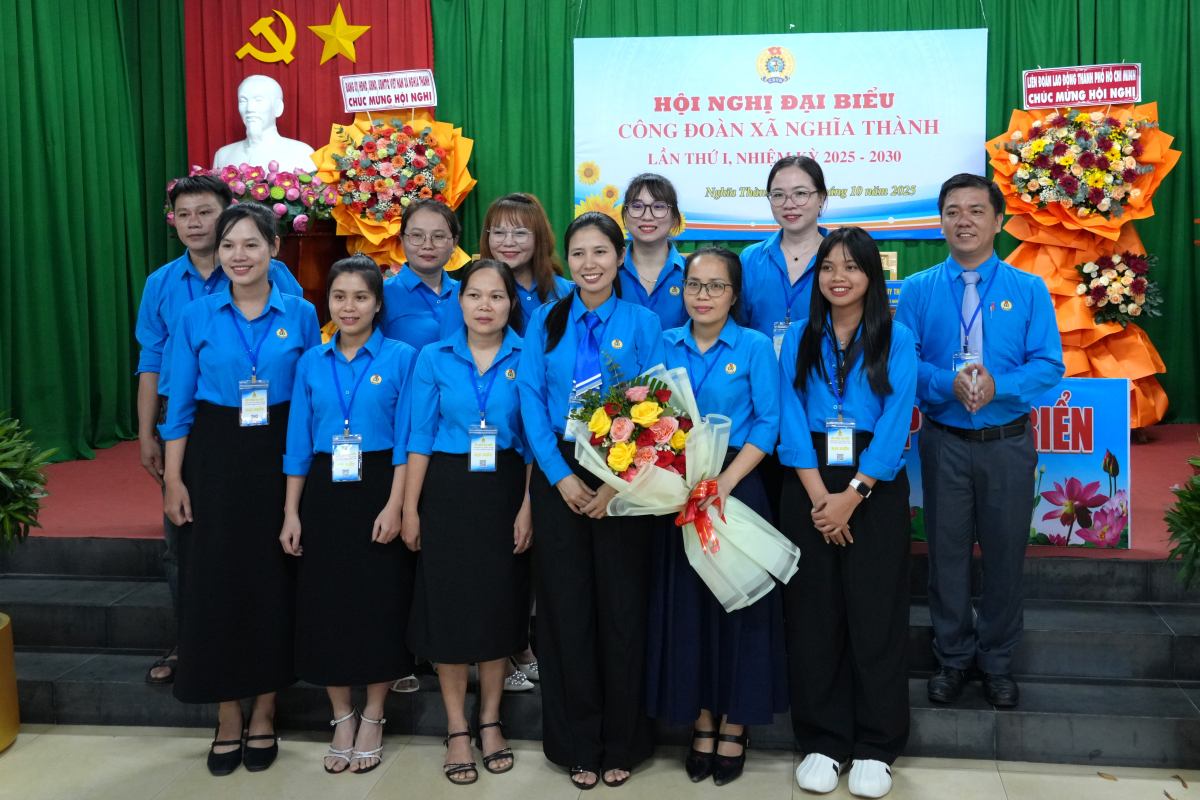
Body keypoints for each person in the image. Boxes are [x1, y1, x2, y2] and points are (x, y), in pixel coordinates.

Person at [160, 202, 321, 776]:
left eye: (252, 244)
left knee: (275, 579)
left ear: (274, 250)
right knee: (218, 581)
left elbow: (306, 398)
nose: (239, 256)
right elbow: (178, 403)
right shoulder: (196, 317)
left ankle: (265, 712)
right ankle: (228, 714)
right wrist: (175, 478)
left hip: (281, 453)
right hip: (215, 456)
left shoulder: (300, 314)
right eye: (230, 246)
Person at [895, 174, 1064, 711]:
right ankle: (953, 659)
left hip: (1007, 442)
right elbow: (904, 364)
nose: (963, 220)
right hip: (944, 442)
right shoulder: (918, 290)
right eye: (951, 211)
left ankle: (996, 662)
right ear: (940, 220)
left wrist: (1000, 385)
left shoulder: (1028, 288)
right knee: (945, 556)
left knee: (1004, 554)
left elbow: (1049, 365)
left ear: (997, 221)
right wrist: (947, 383)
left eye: (975, 210)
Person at [134, 175, 303, 685]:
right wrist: (150, 436)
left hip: (275, 441)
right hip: (208, 437)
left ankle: (275, 667)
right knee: (191, 549)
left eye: (204, 213)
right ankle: (194, 645)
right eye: (183, 215)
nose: (195, 224)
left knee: (271, 556)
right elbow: (157, 366)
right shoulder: (170, 291)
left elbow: (302, 371)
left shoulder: (292, 297)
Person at [517, 212, 665, 789]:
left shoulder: (643, 321)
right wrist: (559, 478)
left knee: (623, 612)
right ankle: (577, 742)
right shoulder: (547, 320)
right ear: (566, 260)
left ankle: (623, 742)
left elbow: (662, 402)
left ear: (619, 257)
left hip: (626, 473)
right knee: (565, 613)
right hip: (560, 475)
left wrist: (615, 485)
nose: (589, 264)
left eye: (600, 252)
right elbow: (530, 398)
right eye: (578, 253)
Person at [778, 226, 917, 798]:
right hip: (810, 479)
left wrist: (852, 495)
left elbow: (896, 419)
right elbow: (787, 414)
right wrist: (819, 497)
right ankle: (823, 739)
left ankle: (876, 745)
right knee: (814, 614)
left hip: (872, 485)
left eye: (851, 267)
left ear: (871, 276)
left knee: (875, 613)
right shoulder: (799, 338)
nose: (838, 277)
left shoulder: (897, 336)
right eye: (828, 267)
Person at [647, 247, 787, 786]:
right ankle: (700, 720)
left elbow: (768, 423)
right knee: (688, 610)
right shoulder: (663, 344)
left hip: (736, 490)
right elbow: (647, 419)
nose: (702, 296)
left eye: (716, 287)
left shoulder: (753, 347)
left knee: (739, 607)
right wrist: (678, 481)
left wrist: (721, 484)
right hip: (675, 493)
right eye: (694, 286)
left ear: (734, 294)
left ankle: (734, 723)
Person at [280, 254, 416, 775]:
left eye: (361, 296)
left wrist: (397, 505)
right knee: (328, 605)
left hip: (380, 485)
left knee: (379, 603)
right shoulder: (311, 362)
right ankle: (341, 714)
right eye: (340, 297)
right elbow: (296, 443)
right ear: (328, 304)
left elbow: (406, 441)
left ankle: (375, 714)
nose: (350, 306)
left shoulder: (402, 357)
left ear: (378, 303)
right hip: (324, 492)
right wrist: (292, 512)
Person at [403, 259, 533, 785]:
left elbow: (532, 443)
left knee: (499, 608)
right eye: (475, 295)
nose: (485, 306)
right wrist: (410, 507)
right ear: (460, 302)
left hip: (505, 490)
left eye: (496, 297)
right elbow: (419, 437)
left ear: (511, 303)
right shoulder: (433, 358)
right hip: (448, 491)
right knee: (452, 610)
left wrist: (528, 506)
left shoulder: (529, 356)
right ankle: (458, 727)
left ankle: (491, 719)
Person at [740, 156, 829, 356]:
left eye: (800, 193)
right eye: (778, 195)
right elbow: (738, 326)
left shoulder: (841, 255)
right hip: (762, 376)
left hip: (825, 378)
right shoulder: (750, 259)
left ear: (821, 198)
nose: (789, 204)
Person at [479, 193, 573, 334]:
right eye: (499, 232)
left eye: (520, 233)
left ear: (539, 237)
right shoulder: (469, 291)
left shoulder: (567, 291)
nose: (508, 242)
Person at [380, 199, 465, 351]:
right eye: (417, 236)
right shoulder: (381, 295)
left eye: (438, 236)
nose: (427, 245)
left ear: (454, 243)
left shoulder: (466, 293)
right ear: (402, 240)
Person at [617, 173, 688, 329]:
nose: (647, 216)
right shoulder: (609, 272)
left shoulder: (692, 272)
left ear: (675, 218)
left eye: (659, 207)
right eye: (637, 206)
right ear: (624, 215)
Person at [213, 74, 315, 171]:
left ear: (278, 108)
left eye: (258, 100)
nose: (249, 108)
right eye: (243, 101)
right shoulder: (223, 156)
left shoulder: (302, 153)